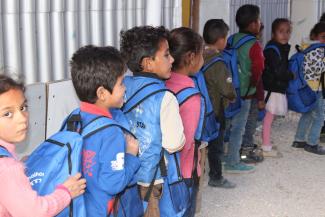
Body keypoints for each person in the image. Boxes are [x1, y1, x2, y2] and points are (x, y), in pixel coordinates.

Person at [120, 26, 185, 217]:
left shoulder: (121, 87)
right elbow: (173, 144)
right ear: (148, 63)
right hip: (153, 181)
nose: (172, 59)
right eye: (166, 55)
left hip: (126, 175)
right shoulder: (165, 97)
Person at [0, 74, 86, 217]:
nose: (22, 118)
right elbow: (35, 213)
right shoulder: (8, 168)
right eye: (8, 114)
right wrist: (66, 192)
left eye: (23, 107)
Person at [70, 45, 141, 216]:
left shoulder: (74, 117)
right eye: (121, 83)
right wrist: (131, 155)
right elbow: (114, 184)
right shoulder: (111, 133)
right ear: (102, 93)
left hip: (80, 206)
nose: (125, 88)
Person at [166, 27, 204, 216]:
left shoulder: (162, 82)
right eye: (201, 54)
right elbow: (186, 142)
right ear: (190, 57)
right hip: (183, 173)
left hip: (162, 171)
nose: (202, 59)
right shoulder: (191, 96)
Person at [224, 4, 264, 173]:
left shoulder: (232, 39)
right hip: (245, 93)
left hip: (229, 90)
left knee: (226, 125)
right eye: (259, 20)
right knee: (239, 128)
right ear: (254, 24)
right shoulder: (254, 45)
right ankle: (233, 162)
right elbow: (258, 71)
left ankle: (223, 155)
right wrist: (255, 91)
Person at [201, 19, 237, 187]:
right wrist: (232, 95)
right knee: (216, 145)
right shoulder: (218, 61)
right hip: (215, 111)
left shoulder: (199, 56)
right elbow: (226, 87)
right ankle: (216, 177)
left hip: (201, 108)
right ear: (221, 39)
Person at [262, 18, 294, 157]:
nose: (285, 35)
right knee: (269, 117)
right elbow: (279, 72)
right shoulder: (272, 50)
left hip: (275, 88)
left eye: (288, 32)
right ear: (273, 33)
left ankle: (266, 139)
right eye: (281, 32)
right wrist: (291, 75)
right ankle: (266, 146)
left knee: (270, 116)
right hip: (272, 89)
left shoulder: (280, 48)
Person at [292, 22, 325, 155]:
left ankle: (299, 140)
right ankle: (312, 143)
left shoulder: (306, 47)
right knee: (320, 116)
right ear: (314, 36)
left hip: (305, 87)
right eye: (323, 36)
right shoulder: (320, 50)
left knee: (308, 113)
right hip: (317, 88)